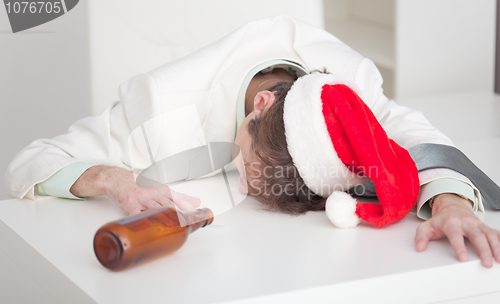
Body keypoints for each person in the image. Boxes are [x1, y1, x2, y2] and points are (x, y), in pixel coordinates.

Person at [5, 15, 499, 268]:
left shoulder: (353, 86)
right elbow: (33, 159)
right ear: (260, 106)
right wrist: (112, 177)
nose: (240, 185)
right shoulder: (158, 108)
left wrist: (452, 202)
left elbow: (417, 135)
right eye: (247, 164)